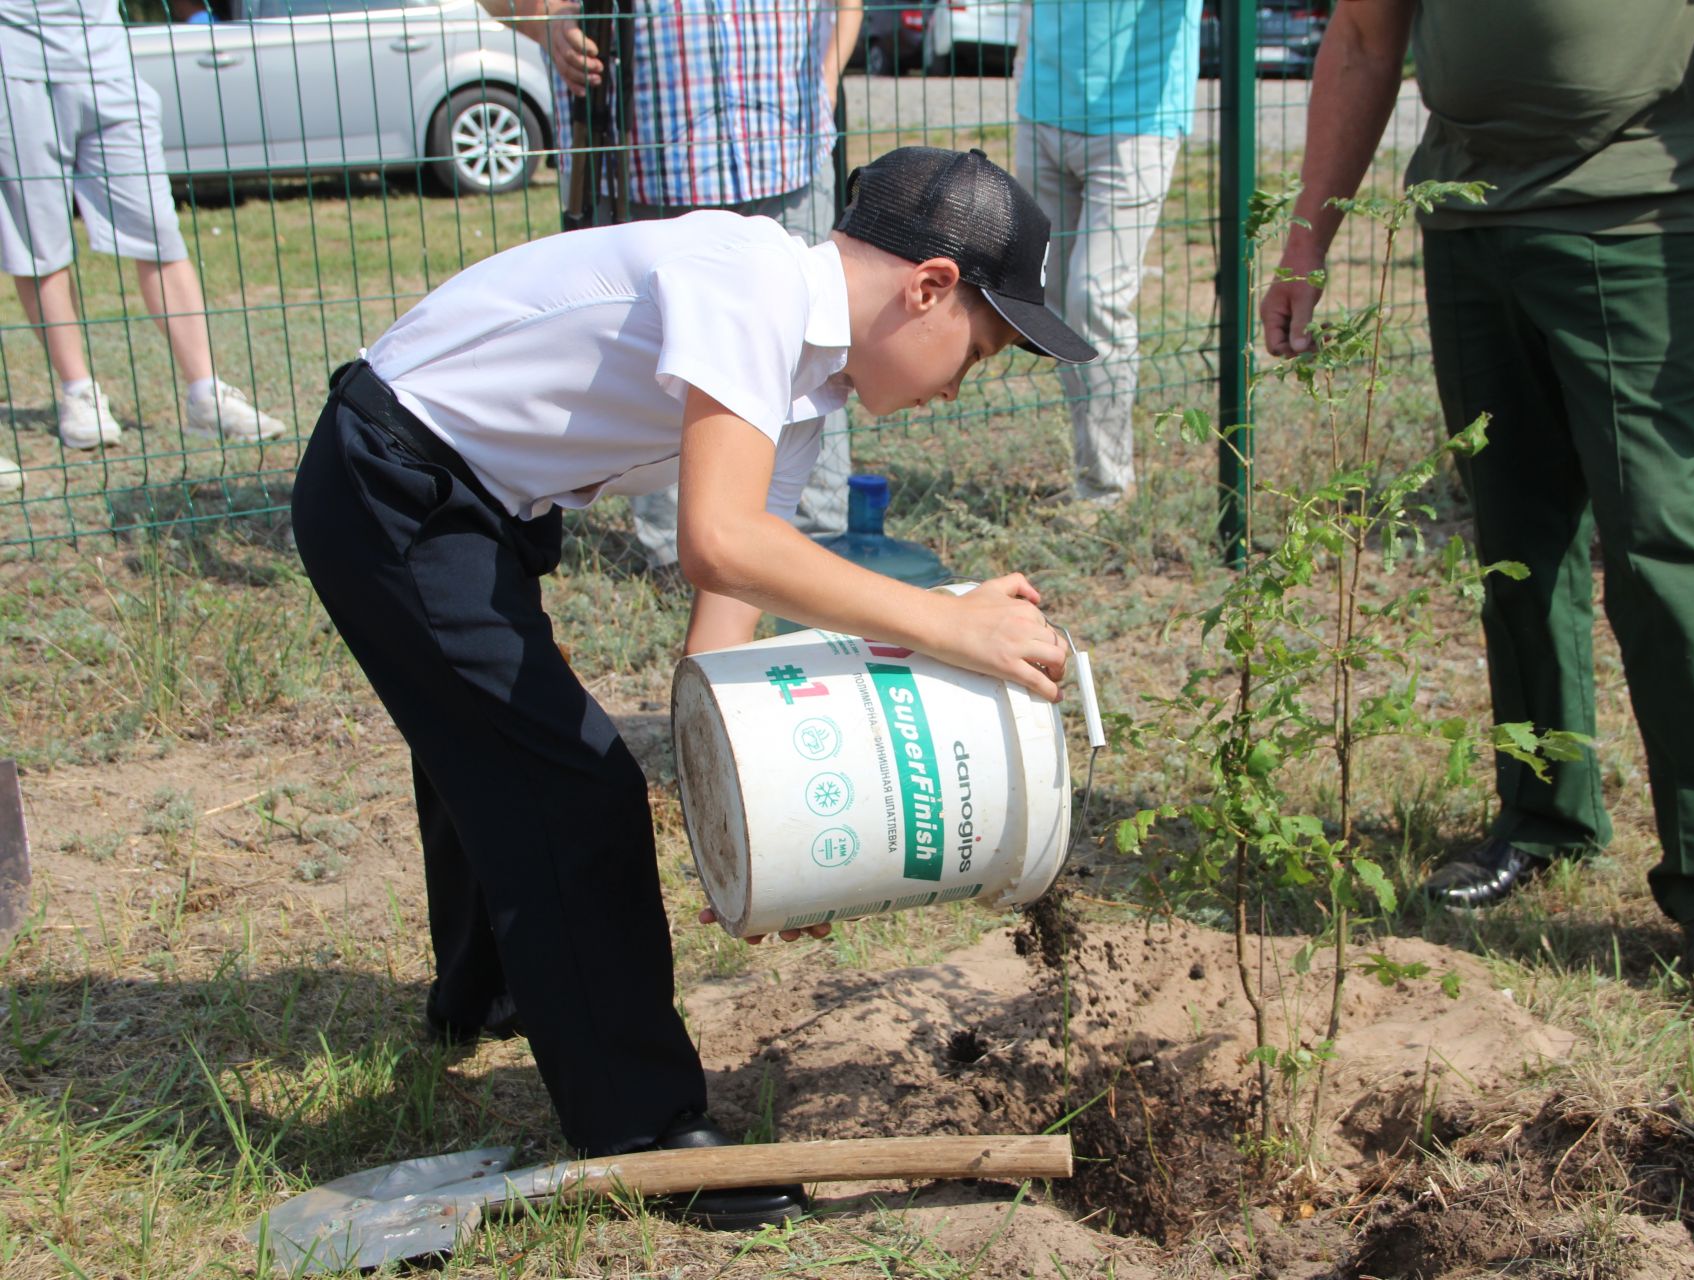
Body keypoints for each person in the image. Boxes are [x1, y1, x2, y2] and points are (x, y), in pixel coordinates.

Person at [289, 146, 1094, 1227]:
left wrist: (747, 827)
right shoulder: (753, 284)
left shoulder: (803, 390)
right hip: (392, 482)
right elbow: (721, 541)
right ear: (931, 286)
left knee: (493, 735)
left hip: (471, 496)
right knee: (569, 788)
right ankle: (648, 1135)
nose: (958, 385)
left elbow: (724, 628)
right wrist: (948, 622)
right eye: (980, 353)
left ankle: (494, 988)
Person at [1260, 0, 1694, 1005]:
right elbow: (1360, 36)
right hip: (1471, 217)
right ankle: (1543, 813)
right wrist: (1309, 238)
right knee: (1517, 546)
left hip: (1645, 212)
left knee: (1664, 542)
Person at [489, 0, 863, 569]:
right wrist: (546, 24)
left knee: (813, 353)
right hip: (647, 165)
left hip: (785, 151)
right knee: (662, 371)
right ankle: (680, 552)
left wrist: (828, 77)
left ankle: (812, 541)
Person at [0, 0, 285, 489]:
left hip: (104, 53)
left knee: (157, 230)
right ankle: (78, 393)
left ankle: (205, 394)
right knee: (39, 238)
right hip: (16, 58)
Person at [1014, 0, 1202, 508]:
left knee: (1094, 297)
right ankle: (1092, 473)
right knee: (1050, 300)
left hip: (1137, 121)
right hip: (1042, 107)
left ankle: (1106, 489)